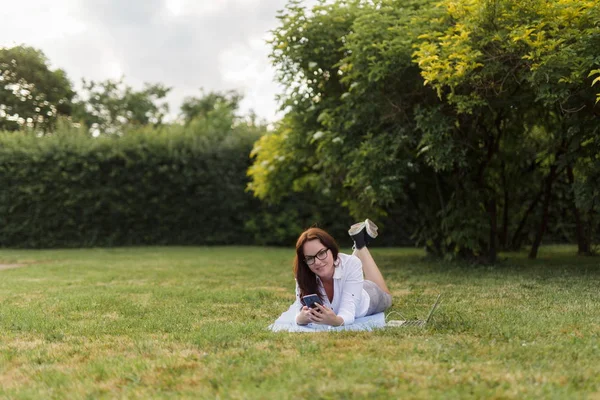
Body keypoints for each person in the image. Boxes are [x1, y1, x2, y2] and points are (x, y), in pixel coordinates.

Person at [292, 219, 393, 326]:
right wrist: (301, 319)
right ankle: (360, 242)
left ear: (331, 249)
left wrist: (335, 321)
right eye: (309, 258)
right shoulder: (303, 275)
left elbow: (348, 312)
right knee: (349, 266)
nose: (317, 262)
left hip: (369, 296)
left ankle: (361, 244)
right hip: (350, 282)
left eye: (321, 253)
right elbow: (299, 311)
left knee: (387, 296)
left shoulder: (351, 263)